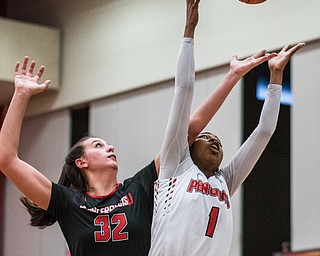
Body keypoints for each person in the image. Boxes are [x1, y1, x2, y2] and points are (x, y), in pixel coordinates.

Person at [0, 2, 281, 256]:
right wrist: (21, 95)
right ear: (81, 162)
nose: (110, 147)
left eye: (107, 143)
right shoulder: (67, 202)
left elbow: (188, 130)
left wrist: (231, 78)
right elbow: (7, 159)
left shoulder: (139, 188)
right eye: (98, 145)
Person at [148, 1, 305, 255]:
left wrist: (276, 77)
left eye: (217, 140)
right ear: (188, 145)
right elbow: (183, 91)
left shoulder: (225, 181)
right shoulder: (175, 167)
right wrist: (189, 30)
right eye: (205, 136)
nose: (214, 140)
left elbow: (264, 132)